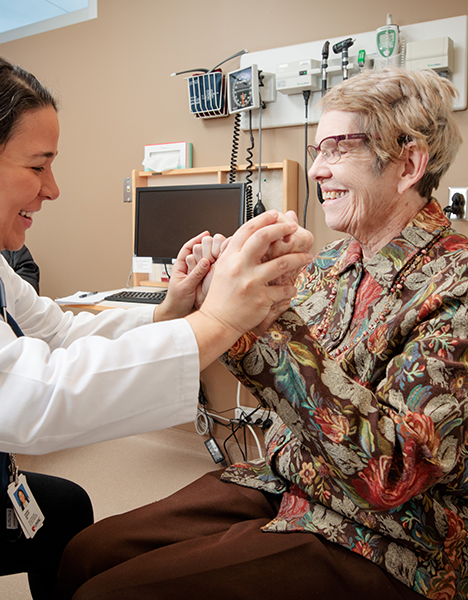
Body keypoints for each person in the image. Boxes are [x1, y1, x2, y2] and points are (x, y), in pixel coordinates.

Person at [0, 50, 312, 600]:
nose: (52, 189)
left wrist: (175, 309)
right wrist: (220, 320)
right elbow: (18, 395)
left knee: (65, 510)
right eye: (37, 166)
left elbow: (55, 333)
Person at [56, 68, 468, 600]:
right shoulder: (332, 263)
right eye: (317, 148)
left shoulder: (455, 287)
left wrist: (263, 318)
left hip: (388, 535)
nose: (317, 169)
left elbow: (389, 474)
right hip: (283, 481)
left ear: (409, 163)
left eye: (337, 148)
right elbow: (287, 387)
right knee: (84, 554)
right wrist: (219, 297)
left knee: (107, 595)